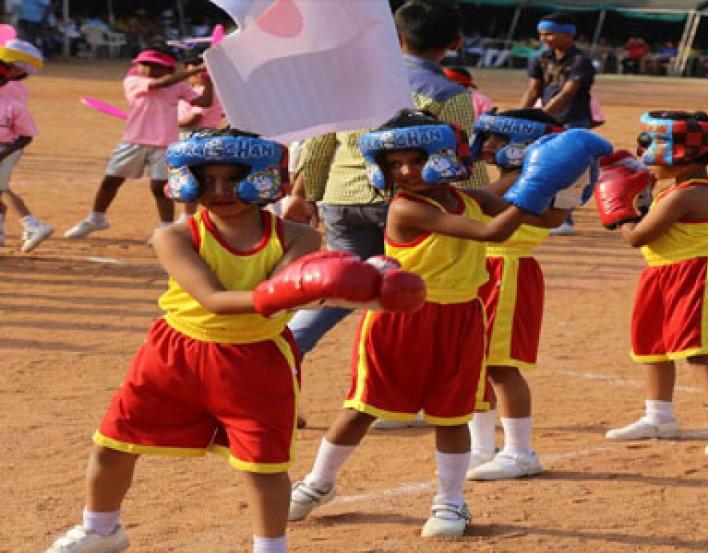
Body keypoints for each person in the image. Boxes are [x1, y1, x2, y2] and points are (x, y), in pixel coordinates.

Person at [43, 128, 423, 553]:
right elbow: (214, 298)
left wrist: (370, 289)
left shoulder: (300, 237)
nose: (219, 191)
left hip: (255, 361)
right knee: (114, 443)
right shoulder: (175, 235)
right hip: (175, 352)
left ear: (262, 177)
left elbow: (291, 297)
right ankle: (101, 529)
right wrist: (316, 285)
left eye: (232, 178)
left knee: (263, 466)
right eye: (205, 180)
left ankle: (270, 548)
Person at [285, 110, 609, 537]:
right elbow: (493, 233)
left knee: (452, 414)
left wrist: (563, 184)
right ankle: (318, 483)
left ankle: (451, 502)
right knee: (363, 407)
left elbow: (544, 221)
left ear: (443, 156)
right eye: (395, 164)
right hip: (402, 319)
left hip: (461, 317)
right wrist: (535, 180)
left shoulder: (471, 196)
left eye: (417, 160)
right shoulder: (406, 206)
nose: (407, 172)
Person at [280, 1, 489, 422]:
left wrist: (305, 193)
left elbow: (321, 142)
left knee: (339, 292)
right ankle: (393, 396)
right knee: (415, 294)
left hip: (343, 195)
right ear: (455, 43)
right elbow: (463, 159)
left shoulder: (353, 82)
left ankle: (280, 366)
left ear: (397, 38)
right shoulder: (450, 93)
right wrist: (474, 208)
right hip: (412, 203)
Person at [593, 111, 708, 457]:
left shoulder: (688, 194)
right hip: (660, 272)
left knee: (697, 350)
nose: (646, 153)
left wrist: (620, 211)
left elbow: (636, 237)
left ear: (685, 154)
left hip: (693, 273)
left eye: (656, 144)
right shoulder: (673, 188)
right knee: (652, 345)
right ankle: (659, 416)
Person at [465, 109, 563, 480]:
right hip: (483, 269)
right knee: (477, 362)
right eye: (487, 137)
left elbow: (467, 203)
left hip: (505, 270)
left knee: (501, 366)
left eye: (498, 140)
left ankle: (520, 452)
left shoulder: (519, 181)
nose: (488, 146)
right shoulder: (514, 179)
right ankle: (481, 447)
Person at [62, 48, 213, 240]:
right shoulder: (134, 81)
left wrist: (208, 81)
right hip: (133, 141)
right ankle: (96, 218)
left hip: (165, 143)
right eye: (145, 64)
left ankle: (165, 228)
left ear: (167, 68)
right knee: (111, 180)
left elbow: (204, 102)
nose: (149, 69)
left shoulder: (178, 86)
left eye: (156, 66)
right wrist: (195, 70)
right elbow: (162, 83)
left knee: (160, 188)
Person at [518, 12, 596, 236]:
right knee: (542, 167)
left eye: (549, 34)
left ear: (567, 35)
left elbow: (568, 93)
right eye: (541, 34)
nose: (543, 38)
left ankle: (564, 220)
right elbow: (533, 89)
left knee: (568, 170)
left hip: (574, 120)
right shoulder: (540, 58)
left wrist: (541, 116)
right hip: (549, 120)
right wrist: (520, 115)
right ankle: (546, 215)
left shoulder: (581, 61)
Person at [0, 39, 50, 252]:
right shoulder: (14, 83)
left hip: (7, 143)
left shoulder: (12, 89)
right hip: (9, 140)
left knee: (1, 188)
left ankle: (32, 223)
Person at [177, 55, 225, 135]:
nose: (201, 68)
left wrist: (168, 124)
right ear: (186, 68)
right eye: (196, 64)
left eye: (204, 65)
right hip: (187, 134)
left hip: (197, 136)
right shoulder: (187, 90)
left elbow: (193, 120)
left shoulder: (205, 91)